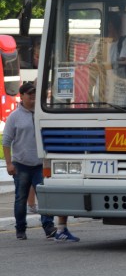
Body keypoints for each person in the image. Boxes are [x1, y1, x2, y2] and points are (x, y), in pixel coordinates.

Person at [3, 82, 79, 241]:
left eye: (34, 94)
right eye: (29, 94)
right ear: (22, 96)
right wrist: (9, 163)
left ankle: (48, 227)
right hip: (21, 164)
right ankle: (21, 229)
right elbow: (6, 142)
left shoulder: (41, 113)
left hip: (40, 164)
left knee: (45, 198)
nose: (32, 97)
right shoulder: (14, 117)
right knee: (20, 199)